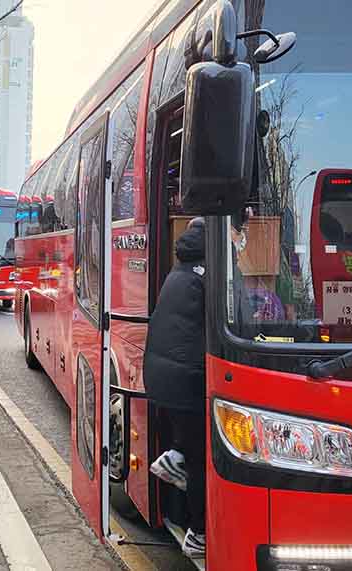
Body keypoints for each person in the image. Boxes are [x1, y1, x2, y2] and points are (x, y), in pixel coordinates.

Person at [143, 217, 207, 559]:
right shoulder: (205, 278)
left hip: (166, 380)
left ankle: (173, 458)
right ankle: (199, 534)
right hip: (184, 382)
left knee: (192, 443)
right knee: (200, 461)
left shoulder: (179, 272)